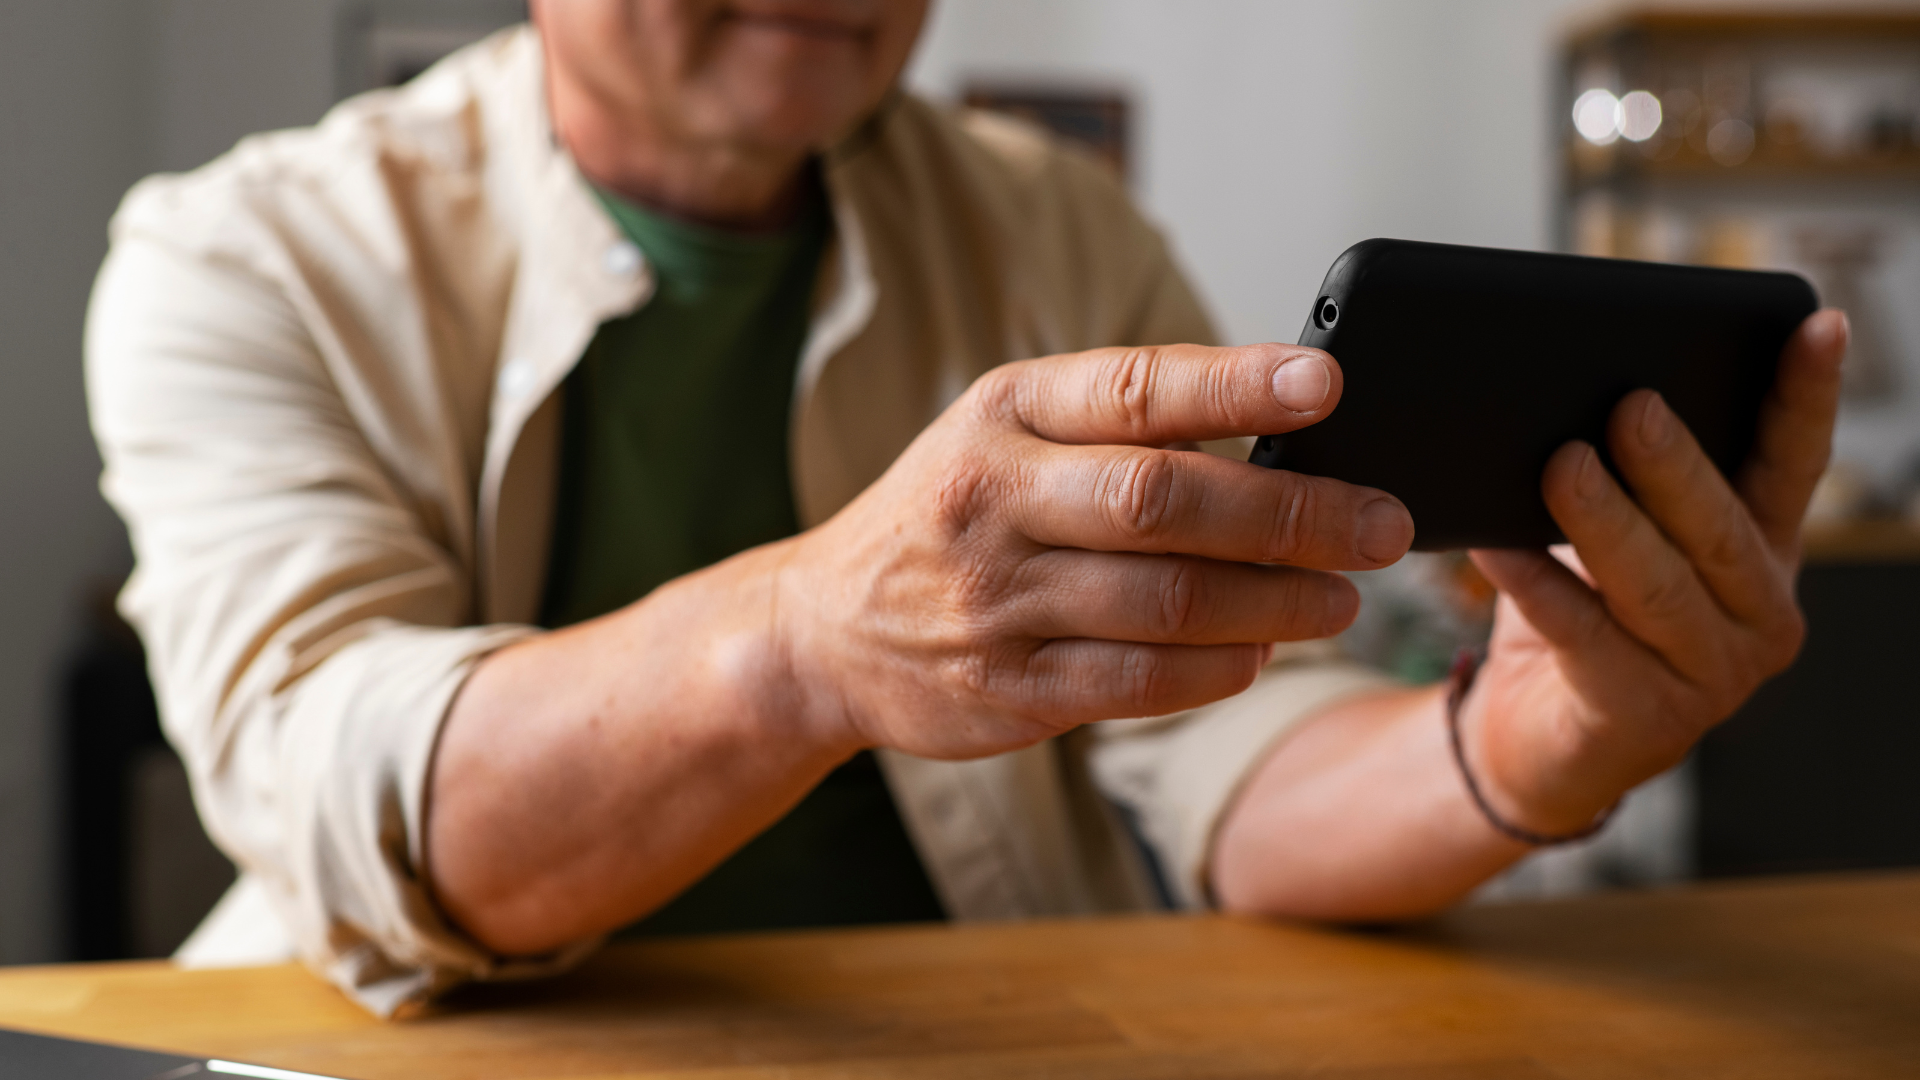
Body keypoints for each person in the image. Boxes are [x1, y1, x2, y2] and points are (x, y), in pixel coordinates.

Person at [85, 0, 1846, 1017]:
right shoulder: (248, 254)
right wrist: (802, 645)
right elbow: (346, 792)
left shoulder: (1054, 226)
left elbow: (1228, 754)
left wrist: (1515, 751)